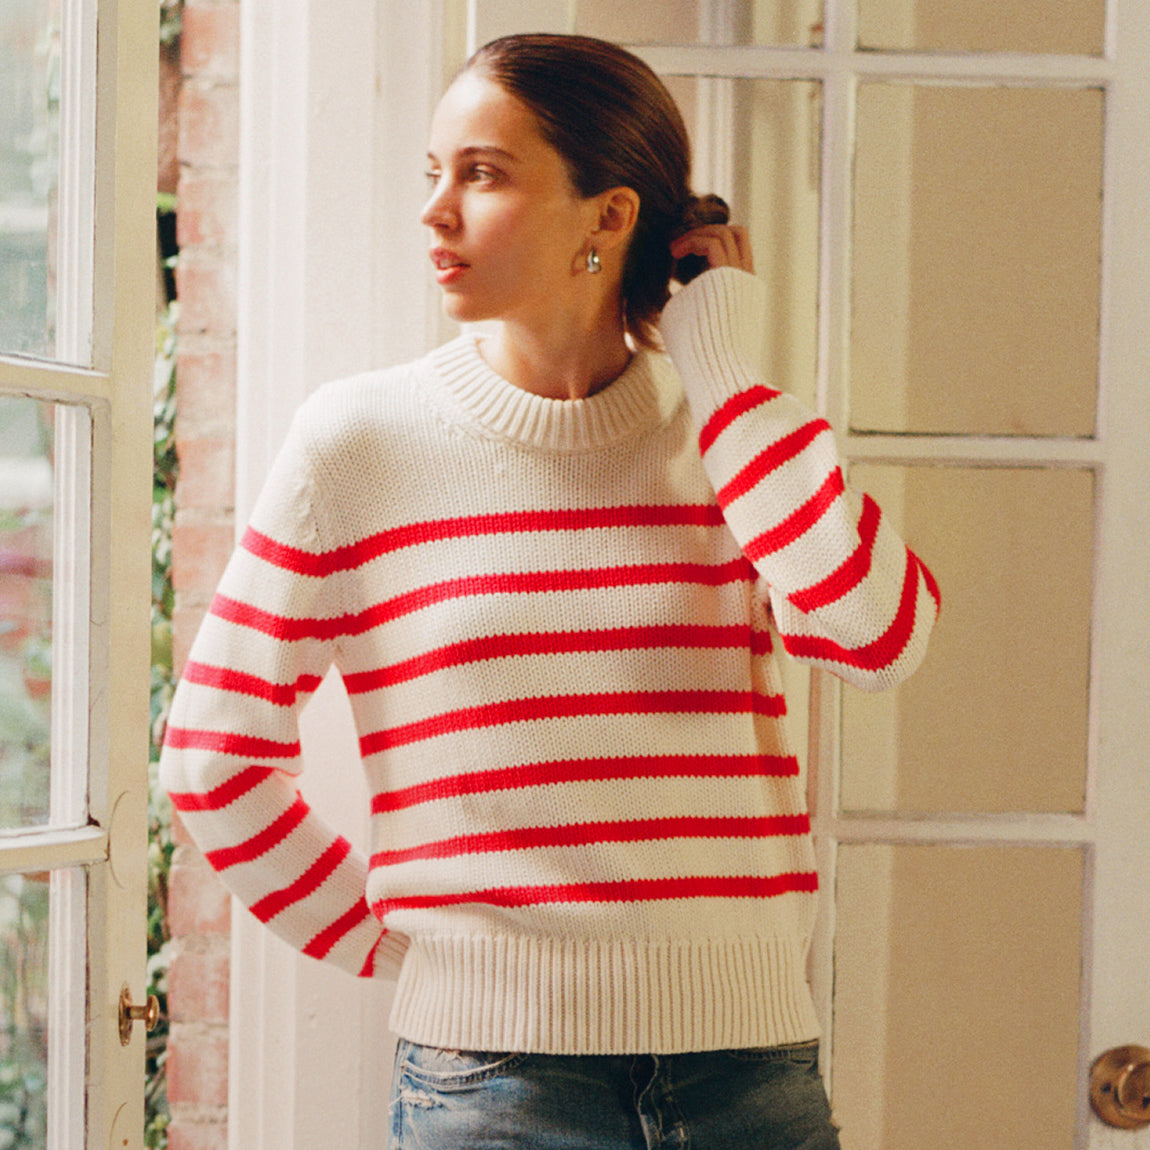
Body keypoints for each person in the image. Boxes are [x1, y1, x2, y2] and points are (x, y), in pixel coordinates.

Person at [160, 33, 939, 1150]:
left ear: (607, 216)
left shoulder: (735, 445)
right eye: (431, 171)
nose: (436, 209)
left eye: (481, 173)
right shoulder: (357, 445)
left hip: (752, 1079)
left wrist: (718, 368)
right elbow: (212, 756)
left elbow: (881, 637)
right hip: (496, 1092)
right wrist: (418, 954)